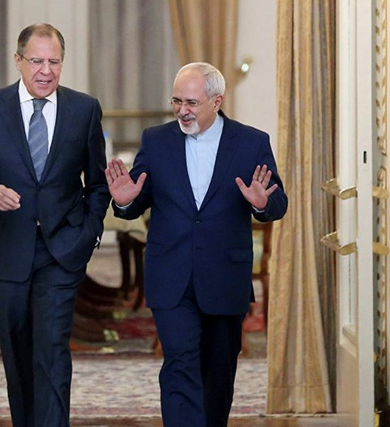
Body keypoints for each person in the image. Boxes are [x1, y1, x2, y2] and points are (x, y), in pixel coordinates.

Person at [105, 62, 288, 426]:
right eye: (177, 101)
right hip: (171, 275)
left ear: (216, 101)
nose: (182, 111)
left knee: (218, 373)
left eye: (191, 103)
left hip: (225, 277)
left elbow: (278, 203)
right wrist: (124, 202)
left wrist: (261, 203)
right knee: (179, 364)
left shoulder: (251, 142)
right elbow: (136, 198)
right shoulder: (156, 140)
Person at [0, 23, 110, 427]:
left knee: (52, 351)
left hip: (62, 250)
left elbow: (97, 183)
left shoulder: (84, 109)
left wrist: (88, 233)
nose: (46, 70)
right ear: (18, 61)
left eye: (54, 62)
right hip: (5, 249)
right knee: (18, 355)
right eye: (37, 61)